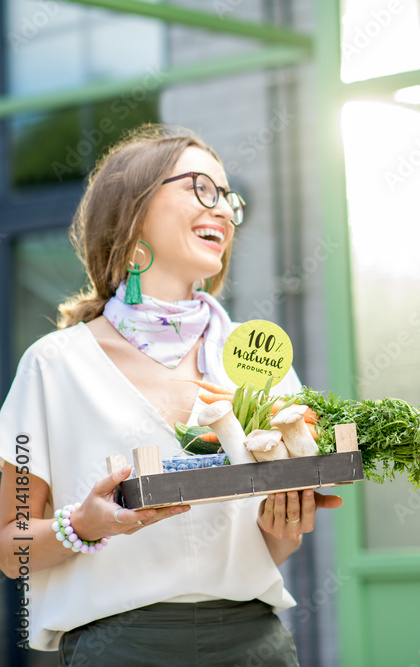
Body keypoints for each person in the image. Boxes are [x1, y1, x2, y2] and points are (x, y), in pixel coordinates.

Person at [0, 125, 341, 665]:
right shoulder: (54, 364)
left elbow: (275, 546)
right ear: (131, 208)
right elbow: (12, 548)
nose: (224, 211)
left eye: (229, 199)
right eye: (201, 189)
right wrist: (85, 525)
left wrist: (285, 526)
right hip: (117, 650)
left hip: (254, 642)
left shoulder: (258, 358)